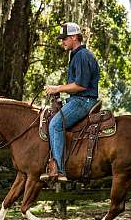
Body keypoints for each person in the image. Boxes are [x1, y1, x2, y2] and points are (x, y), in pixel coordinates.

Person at [40, 22, 100, 182]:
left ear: (74, 37)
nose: (62, 42)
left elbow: (80, 85)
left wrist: (57, 88)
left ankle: (58, 170)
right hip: (79, 99)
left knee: (55, 124)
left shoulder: (82, 56)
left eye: (65, 39)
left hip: (83, 100)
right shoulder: (77, 55)